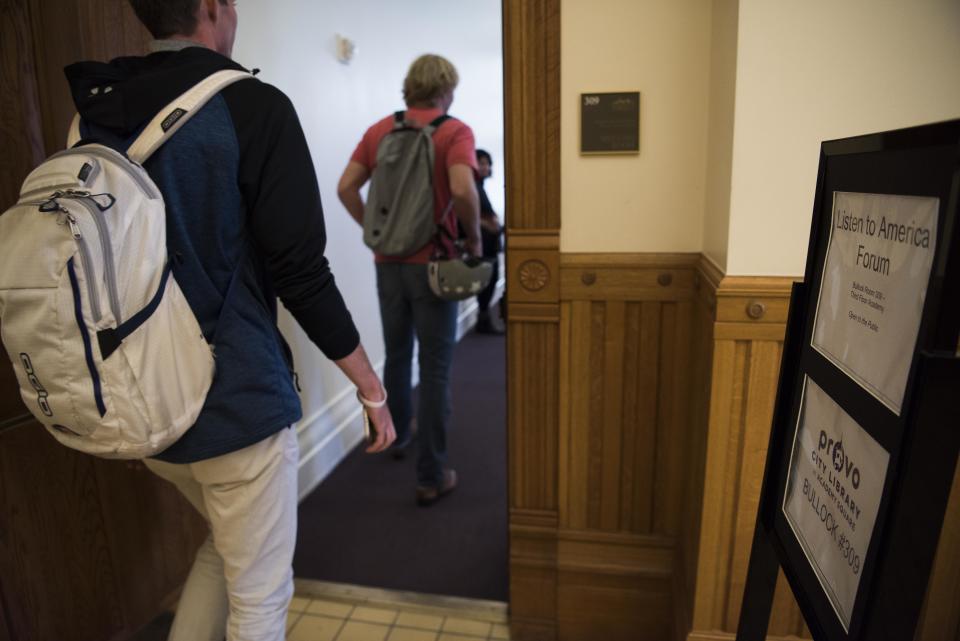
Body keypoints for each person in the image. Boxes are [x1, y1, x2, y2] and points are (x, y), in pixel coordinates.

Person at [67, 1, 396, 639]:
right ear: (215, 6)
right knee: (261, 600)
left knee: (224, 548)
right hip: (234, 404)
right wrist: (371, 387)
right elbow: (301, 272)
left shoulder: (91, 111)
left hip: (140, 402)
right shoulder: (254, 106)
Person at [337, 54, 482, 507]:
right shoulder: (454, 132)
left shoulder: (380, 130)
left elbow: (345, 187)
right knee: (435, 369)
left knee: (398, 355)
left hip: (387, 264)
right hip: (435, 264)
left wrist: (373, 233)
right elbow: (462, 189)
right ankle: (431, 475)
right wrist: (473, 241)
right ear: (446, 88)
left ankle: (397, 437)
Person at [473, 148, 505, 334]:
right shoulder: (472, 186)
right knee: (485, 281)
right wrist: (486, 225)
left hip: (489, 242)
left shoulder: (480, 186)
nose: (485, 167)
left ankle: (483, 319)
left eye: (487, 163)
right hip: (482, 243)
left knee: (491, 280)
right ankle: (483, 320)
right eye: (481, 162)